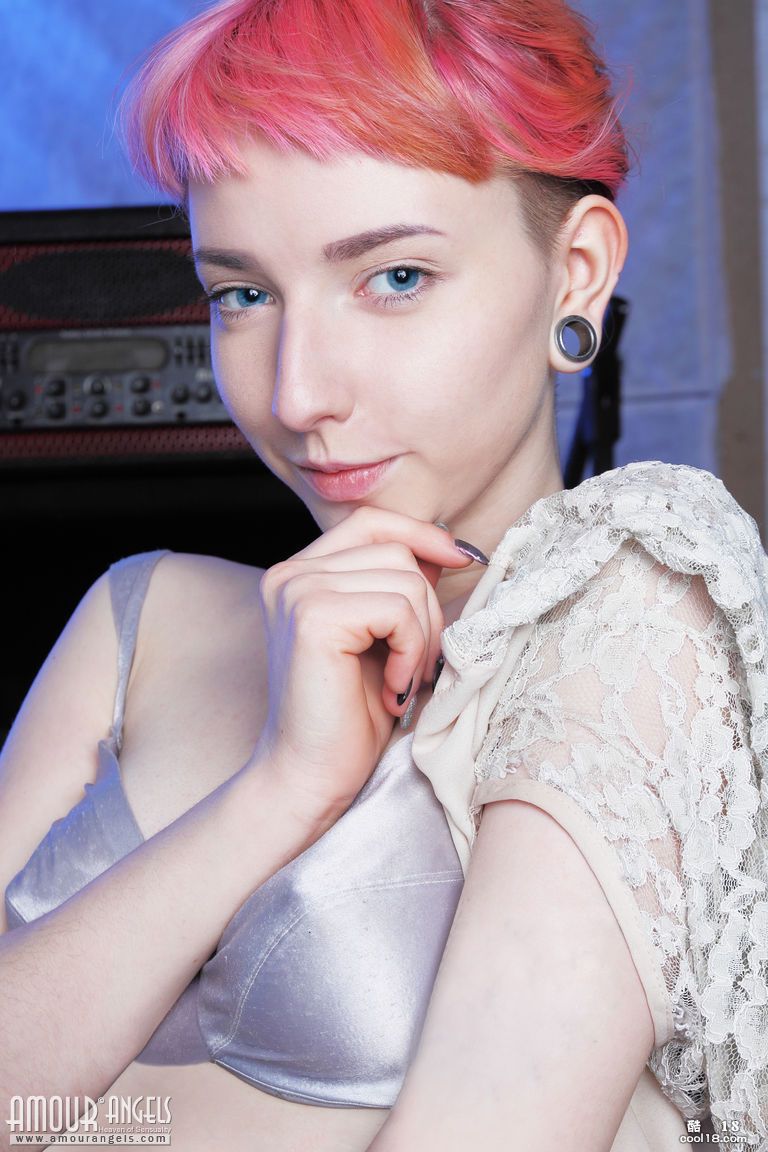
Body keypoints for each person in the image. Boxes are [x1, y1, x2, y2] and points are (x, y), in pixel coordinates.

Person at [1, 0, 766, 1148]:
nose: (298, 393)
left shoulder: (635, 609)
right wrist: (279, 790)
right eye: (242, 294)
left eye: (395, 277)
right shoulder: (140, 617)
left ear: (577, 271)